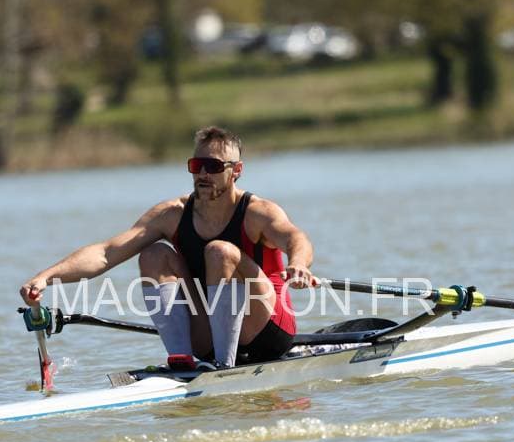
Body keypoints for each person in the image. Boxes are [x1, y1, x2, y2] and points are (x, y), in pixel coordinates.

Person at [20, 126, 315, 368]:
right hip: (208, 334)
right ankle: (182, 359)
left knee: (220, 251)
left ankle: (224, 368)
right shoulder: (172, 214)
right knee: (153, 254)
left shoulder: (257, 213)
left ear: (236, 170)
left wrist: (299, 264)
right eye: (196, 166)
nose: (203, 174)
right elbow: (106, 253)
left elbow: (295, 238)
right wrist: (46, 277)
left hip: (267, 330)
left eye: (213, 167)